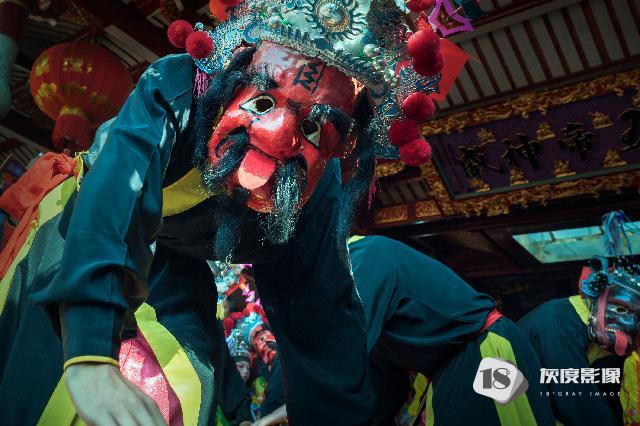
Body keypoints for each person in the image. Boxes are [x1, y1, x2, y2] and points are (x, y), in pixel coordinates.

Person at [0, 0, 457, 423]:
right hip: (89, 223)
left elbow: (320, 321)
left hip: (179, 262)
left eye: (314, 129)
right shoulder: (177, 86)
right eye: (262, 102)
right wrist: (90, 352)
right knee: (57, 373)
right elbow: (117, 198)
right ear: (231, 80)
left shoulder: (319, 194)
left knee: (186, 383)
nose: (277, 136)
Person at [261, 235, 556, 425]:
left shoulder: (362, 258)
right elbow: (384, 384)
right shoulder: (347, 293)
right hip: (453, 366)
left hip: (485, 355)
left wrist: (284, 414)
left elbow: (337, 361)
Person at [519, 257, 640, 426]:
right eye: (621, 309)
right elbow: (579, 403)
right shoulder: (558, 324)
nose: (632, 325)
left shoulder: (590, 329)